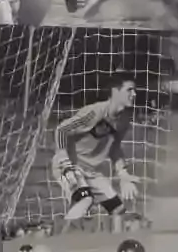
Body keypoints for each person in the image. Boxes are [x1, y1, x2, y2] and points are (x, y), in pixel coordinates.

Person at [56, 78, 141, 230]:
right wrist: (63, 159)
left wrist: (123, 174)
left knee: (118, 211)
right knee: (85, 200)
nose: (134, 94)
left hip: (91, 172)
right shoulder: (94, 112)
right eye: (129, 90)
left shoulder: (124, 120)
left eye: (135, 90)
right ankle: (63, 238)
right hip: (70, 166)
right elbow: (62, 130)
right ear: (115, 91)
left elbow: (115, 148)